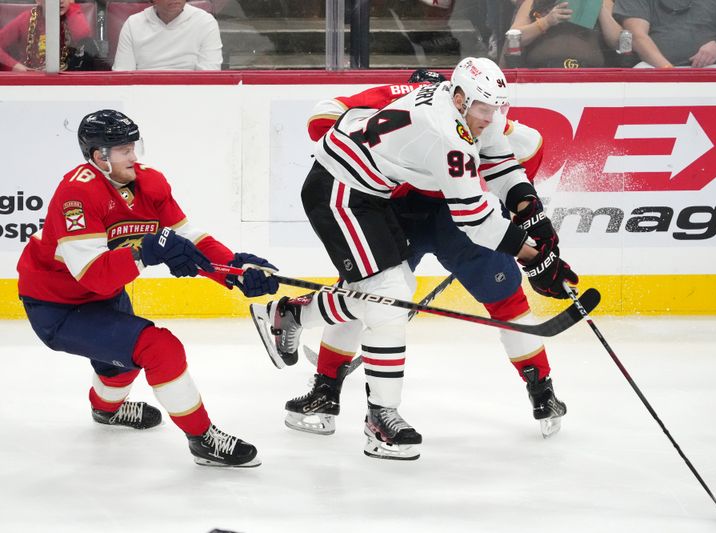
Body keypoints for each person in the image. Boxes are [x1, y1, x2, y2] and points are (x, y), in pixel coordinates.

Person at [250, 58, 578, 461]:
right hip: (385, 203)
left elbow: (506, 162)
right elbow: (477, 216)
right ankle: (362, 405)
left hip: (411, 206)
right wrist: (533, 255)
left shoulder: (480, 113)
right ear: (455, 96)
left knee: (384, 293)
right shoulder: (446, 131)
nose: (488, 117)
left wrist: (533, 216)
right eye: (481, 108)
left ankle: (310, 347)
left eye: (493, 108)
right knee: (382, 294)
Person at [16, 109, 278, 467]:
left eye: (133, 146)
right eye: (123, 149)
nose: (134, 156)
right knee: (159, 348)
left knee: (121, 366)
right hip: (57, 306)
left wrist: (233, 270)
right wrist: (147, 252)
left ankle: (106, 412)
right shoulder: (76, 194)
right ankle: (203, 439)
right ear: (99, 156)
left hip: (106, 294)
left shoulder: (149, 183)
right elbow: (92, 274)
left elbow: (188, 239)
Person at [613, 0, 716, 68]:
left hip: (710, 69)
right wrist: (670, 73)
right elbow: (637, 36)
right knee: (641, 70)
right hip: (656, 69)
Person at [505, 0, 623, 68]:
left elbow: (619, 42)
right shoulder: (533, 2)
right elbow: (514, 38)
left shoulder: (603, 2)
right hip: (543, 73)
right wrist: (546, 22)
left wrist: (597, 6)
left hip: (590, 73)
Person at [112, 0, 222, 71]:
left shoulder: (205, 22)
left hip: (191, 95)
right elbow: (122, 75)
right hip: (143, 94)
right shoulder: (133, 23)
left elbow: (210, 74)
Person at [0, 0, 91, 72]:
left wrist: (72, 8)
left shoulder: (72, 17)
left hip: (66, 78)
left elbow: (83, 33)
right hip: (31, 78)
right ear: (38, 0)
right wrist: (15, 66)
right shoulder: (26, 19)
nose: (60, 1)